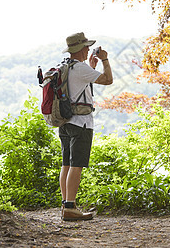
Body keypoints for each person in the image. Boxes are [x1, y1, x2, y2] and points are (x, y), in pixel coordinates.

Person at [59, 32, 113, 221]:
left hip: (65, 121)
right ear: (80, 49)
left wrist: (91, 67)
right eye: (86, 46)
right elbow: (107, 80)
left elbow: (78, 86)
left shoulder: (65, 66)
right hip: (81, 123)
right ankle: (71, 208)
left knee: (66, 164)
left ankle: (67, 204)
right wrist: (105, 59)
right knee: (77, 165)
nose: (89, 49)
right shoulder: (80, 68)